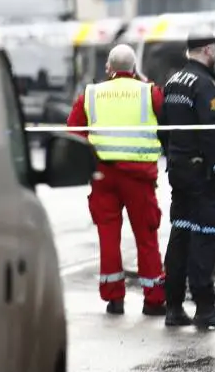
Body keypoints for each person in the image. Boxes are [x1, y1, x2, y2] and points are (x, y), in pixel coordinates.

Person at [65, 44, 167, 316]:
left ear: (108, 68)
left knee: (108, 236)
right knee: (146, 237)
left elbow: (73, 132)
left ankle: (114, 299)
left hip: (103, 176)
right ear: (134, 69)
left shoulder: (91, 93)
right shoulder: (150, 92)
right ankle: (154, 300)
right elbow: (169, 126)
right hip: (139, 178)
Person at [159, 32, 215, 330]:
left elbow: (163, 127)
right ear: (207, 49)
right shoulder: (205, 84)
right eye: (214, 49)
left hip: (179, 171)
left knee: (180, 235)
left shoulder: (173, 81)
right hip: (202, 173)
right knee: (205, 237)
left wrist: (173, 158)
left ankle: (174, 306)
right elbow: (213, 131)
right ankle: (205, 308)